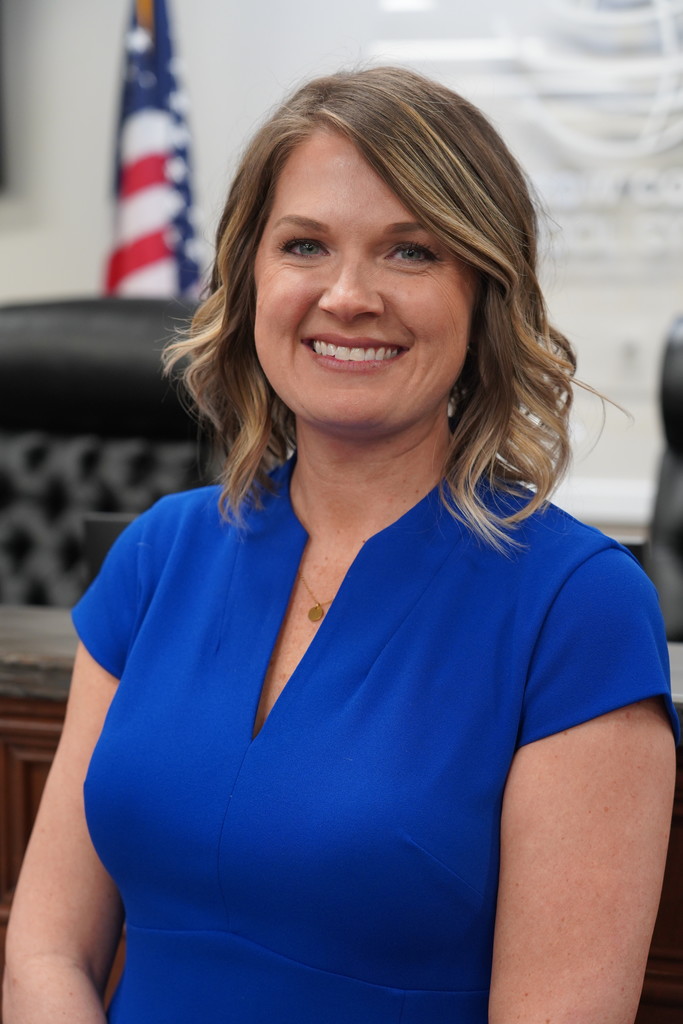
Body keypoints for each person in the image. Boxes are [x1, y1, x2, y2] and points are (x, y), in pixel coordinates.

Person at [3, 65, 679, 1024]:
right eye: (304, 245)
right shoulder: (156, 558)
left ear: (483, 292)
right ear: (249, 279)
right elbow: (44, 952)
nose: (348, 295)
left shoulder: (578, 607)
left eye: (410, 251)